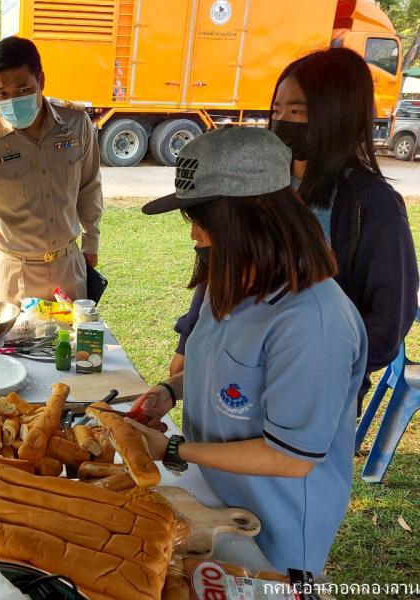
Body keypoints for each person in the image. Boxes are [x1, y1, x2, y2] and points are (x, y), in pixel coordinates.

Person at [132, 127, 367, 574]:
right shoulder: (234, 278)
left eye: (203, 219)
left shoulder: (314, 324)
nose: (195, 235)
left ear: (254, 216)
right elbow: (221, 368)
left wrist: (176, 450)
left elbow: (290, 457)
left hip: (276, 531)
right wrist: (169, 390)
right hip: (217, 497)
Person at [168, 48, 418, 416]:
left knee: (289, 466)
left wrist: (306, 368)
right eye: (277, 111)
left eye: (297, 112)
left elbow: (387, 323)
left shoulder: (373, 205)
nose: (283, 122)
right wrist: (189, 339)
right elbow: (220, 264)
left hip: (309, 390)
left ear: (339, 115)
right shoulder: (261, 182)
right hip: (232, 376)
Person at [0, 36, 102, 305]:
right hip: (16, 273)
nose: (13, 100)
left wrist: (92, 243)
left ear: (41, 81)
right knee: (17, 345)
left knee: (73, 345)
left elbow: (89, 187)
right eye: (2, 93)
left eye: (23, 89)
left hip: (68, 266)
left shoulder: (76, 124)